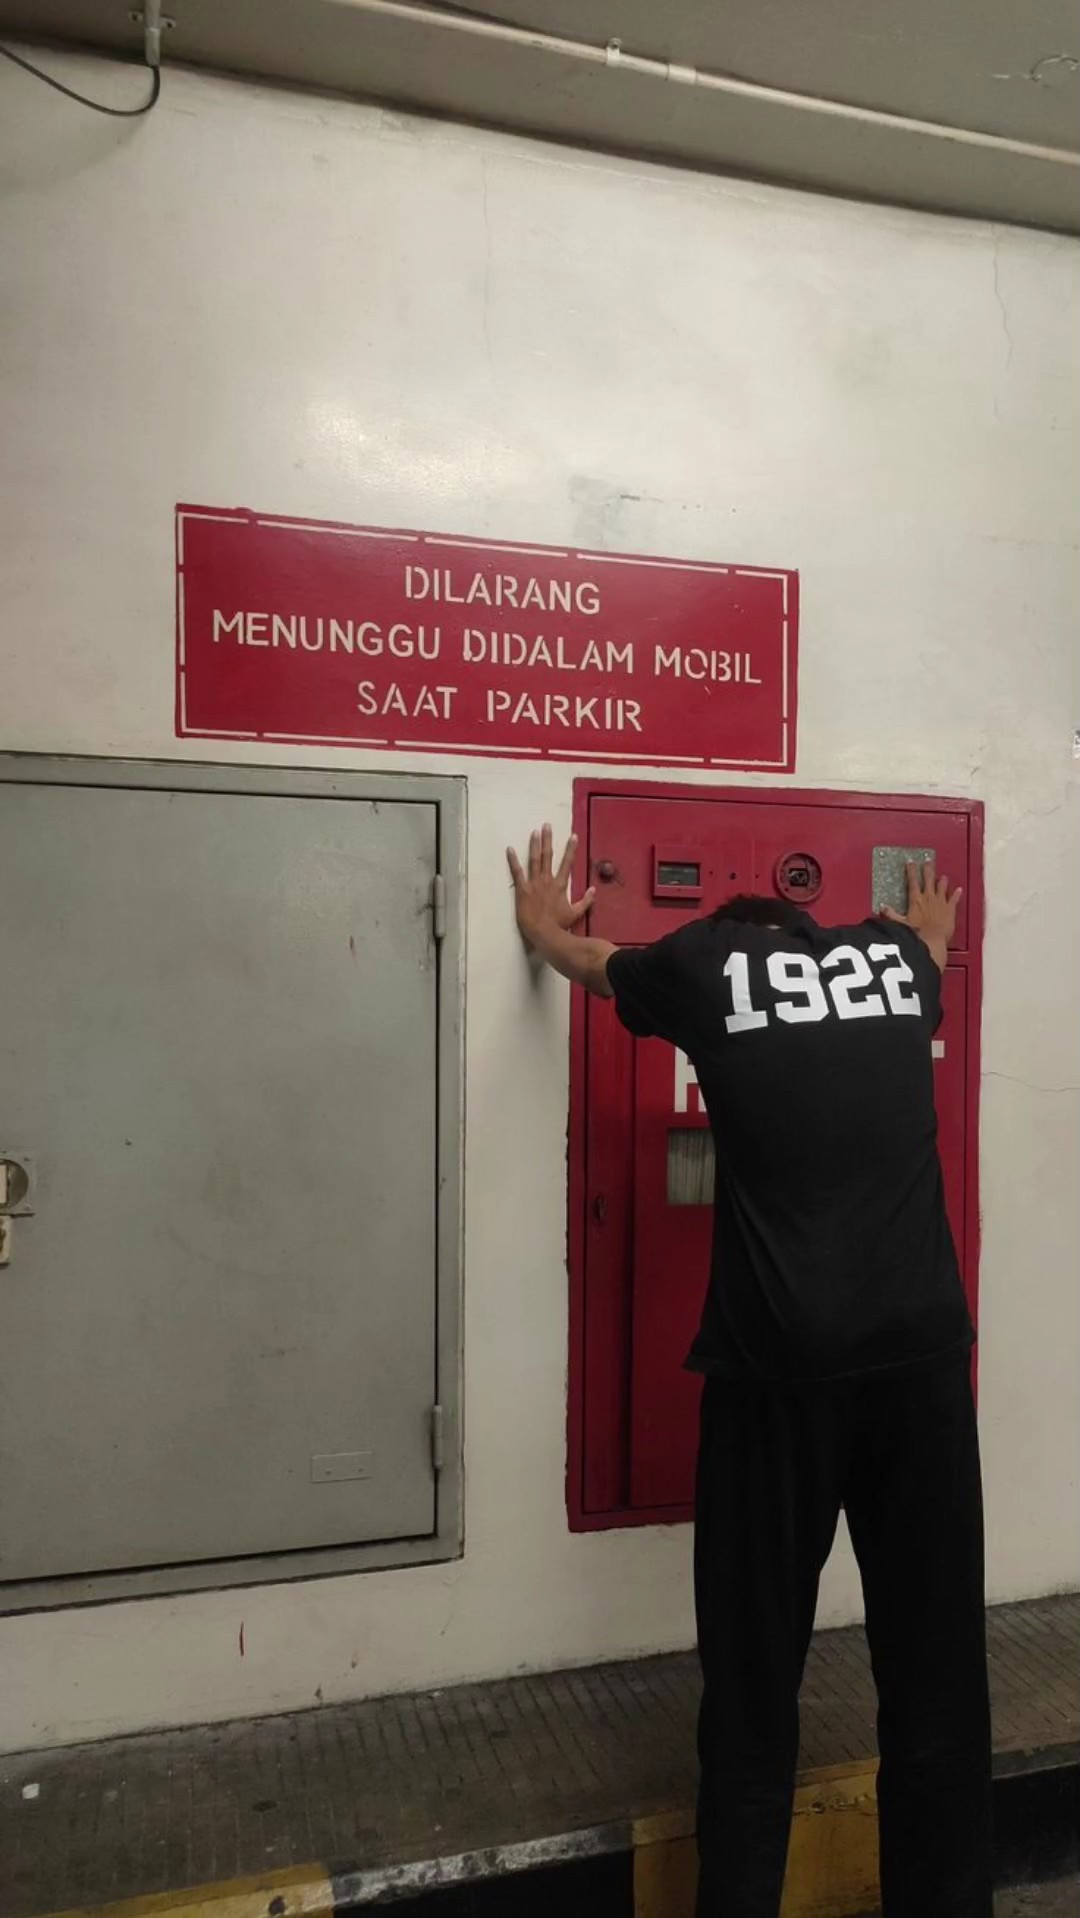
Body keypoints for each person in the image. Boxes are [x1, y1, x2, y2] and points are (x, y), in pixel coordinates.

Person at [506, 825, 993, 1918]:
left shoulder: (702, 963)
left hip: (779, 1369)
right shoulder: (896, 962)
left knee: (753, 1680)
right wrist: (929, 926)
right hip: (921, 1359)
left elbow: (592, 962)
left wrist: (542, 930)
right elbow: (928, 942)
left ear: (733, 936)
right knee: (937, 1678)